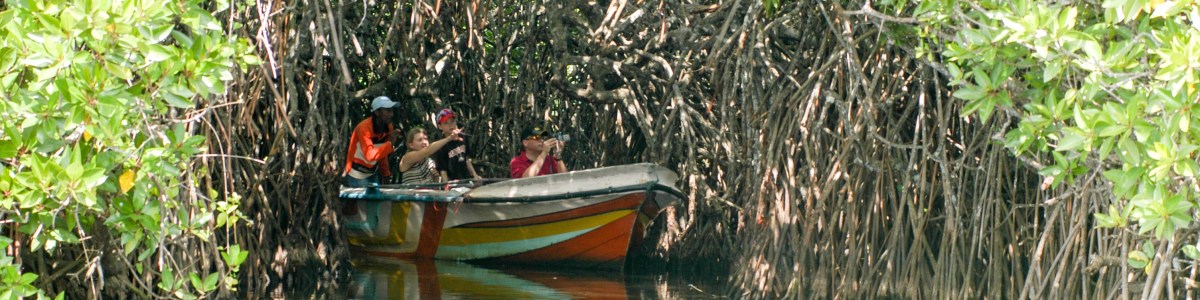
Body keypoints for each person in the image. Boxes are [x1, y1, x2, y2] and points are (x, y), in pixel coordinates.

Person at [343, 96, 402, 187]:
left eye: (392, 111)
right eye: (387, 111)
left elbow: (382, 153)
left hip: (372, 172)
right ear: (377, 112)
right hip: (357, 174)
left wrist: (385, 174)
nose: (391, 114)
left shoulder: (388, 127)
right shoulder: (364, 128)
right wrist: (390, 143)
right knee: (364, 201)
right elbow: (370, 155)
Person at [431, 109, 483, 181]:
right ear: (440, 126)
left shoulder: (463, 137)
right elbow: (443, 169)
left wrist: (475, 175)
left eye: (452, 121)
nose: (450, 125)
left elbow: (467, 159)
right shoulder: (441, 145)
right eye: (446, 123)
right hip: (452, 181)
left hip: (466, 178)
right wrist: (446, 186)